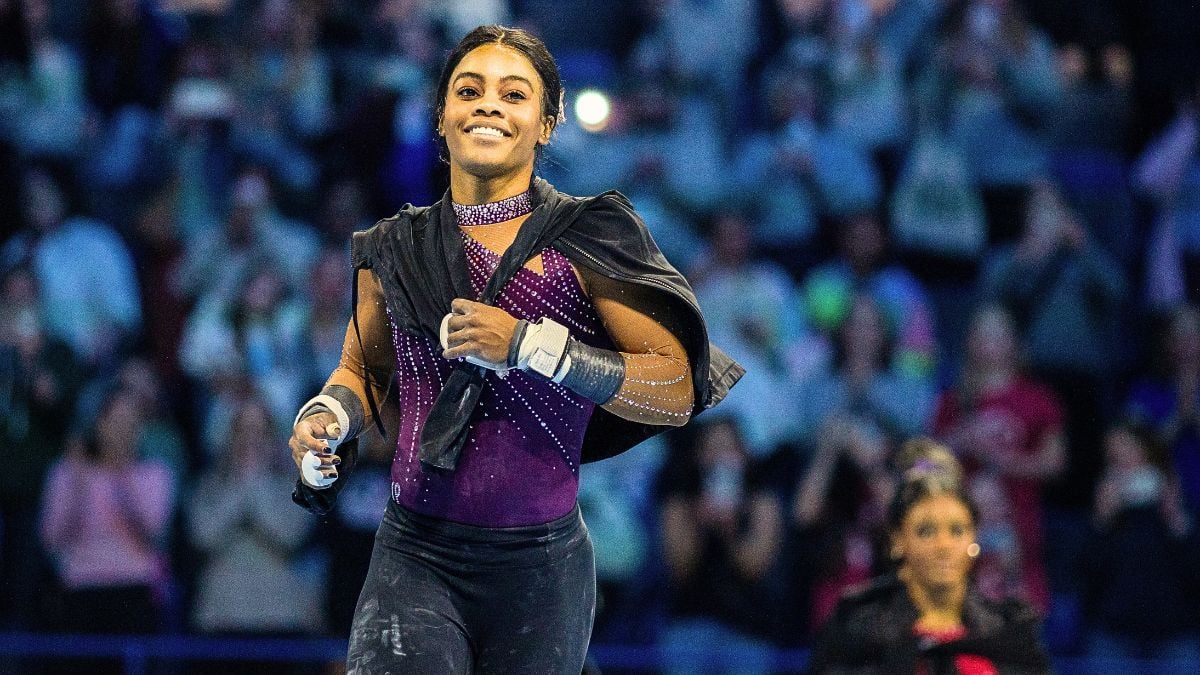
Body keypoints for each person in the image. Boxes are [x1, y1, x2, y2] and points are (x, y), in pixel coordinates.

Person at [287, 25, 742, 674]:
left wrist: (535, 345)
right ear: (442, 118)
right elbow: (362, 373)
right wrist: (326, 417)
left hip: (538, 562)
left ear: (549, 123)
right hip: (415, 552)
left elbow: (675, 384)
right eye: (469, 90)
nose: (490, 105)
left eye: (514, 92)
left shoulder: (594, 237)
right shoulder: (390, 247)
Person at [808, 438, 1050, 674]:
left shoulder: (1007, 632)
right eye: (927, 530)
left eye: (955, 530)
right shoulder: (860, 632)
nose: (943, 546)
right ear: (899, 540)